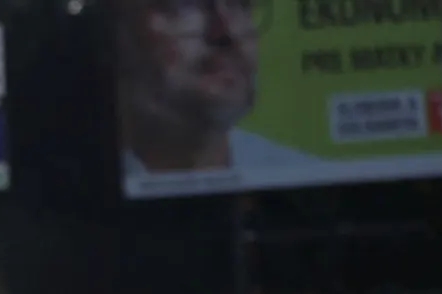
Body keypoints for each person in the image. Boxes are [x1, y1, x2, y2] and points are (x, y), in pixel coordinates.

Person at [114, 0, 314, 175]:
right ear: (120, 30)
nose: (226, 33)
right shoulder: (90, 192)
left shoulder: (304, 182)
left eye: (240, 2)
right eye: (184, 4)